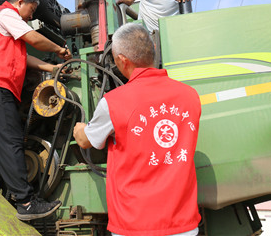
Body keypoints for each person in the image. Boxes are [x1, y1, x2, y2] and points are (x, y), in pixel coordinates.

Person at [73, 23, 201, 236]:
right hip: (183, 225)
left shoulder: (113, 102)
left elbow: (86, 141)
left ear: (123, 60)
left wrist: (80, 128)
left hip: (133, 226)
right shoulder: (190, 96)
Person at [0, 0, 71, 221]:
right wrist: (59, 49)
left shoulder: (3, 24)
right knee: (10, 140)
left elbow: (23, 58)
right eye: (31, 11)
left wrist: (52, 68)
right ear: (20, 2)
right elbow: (34, 38)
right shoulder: (5, 14)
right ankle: (25, 202)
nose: (31, 17)